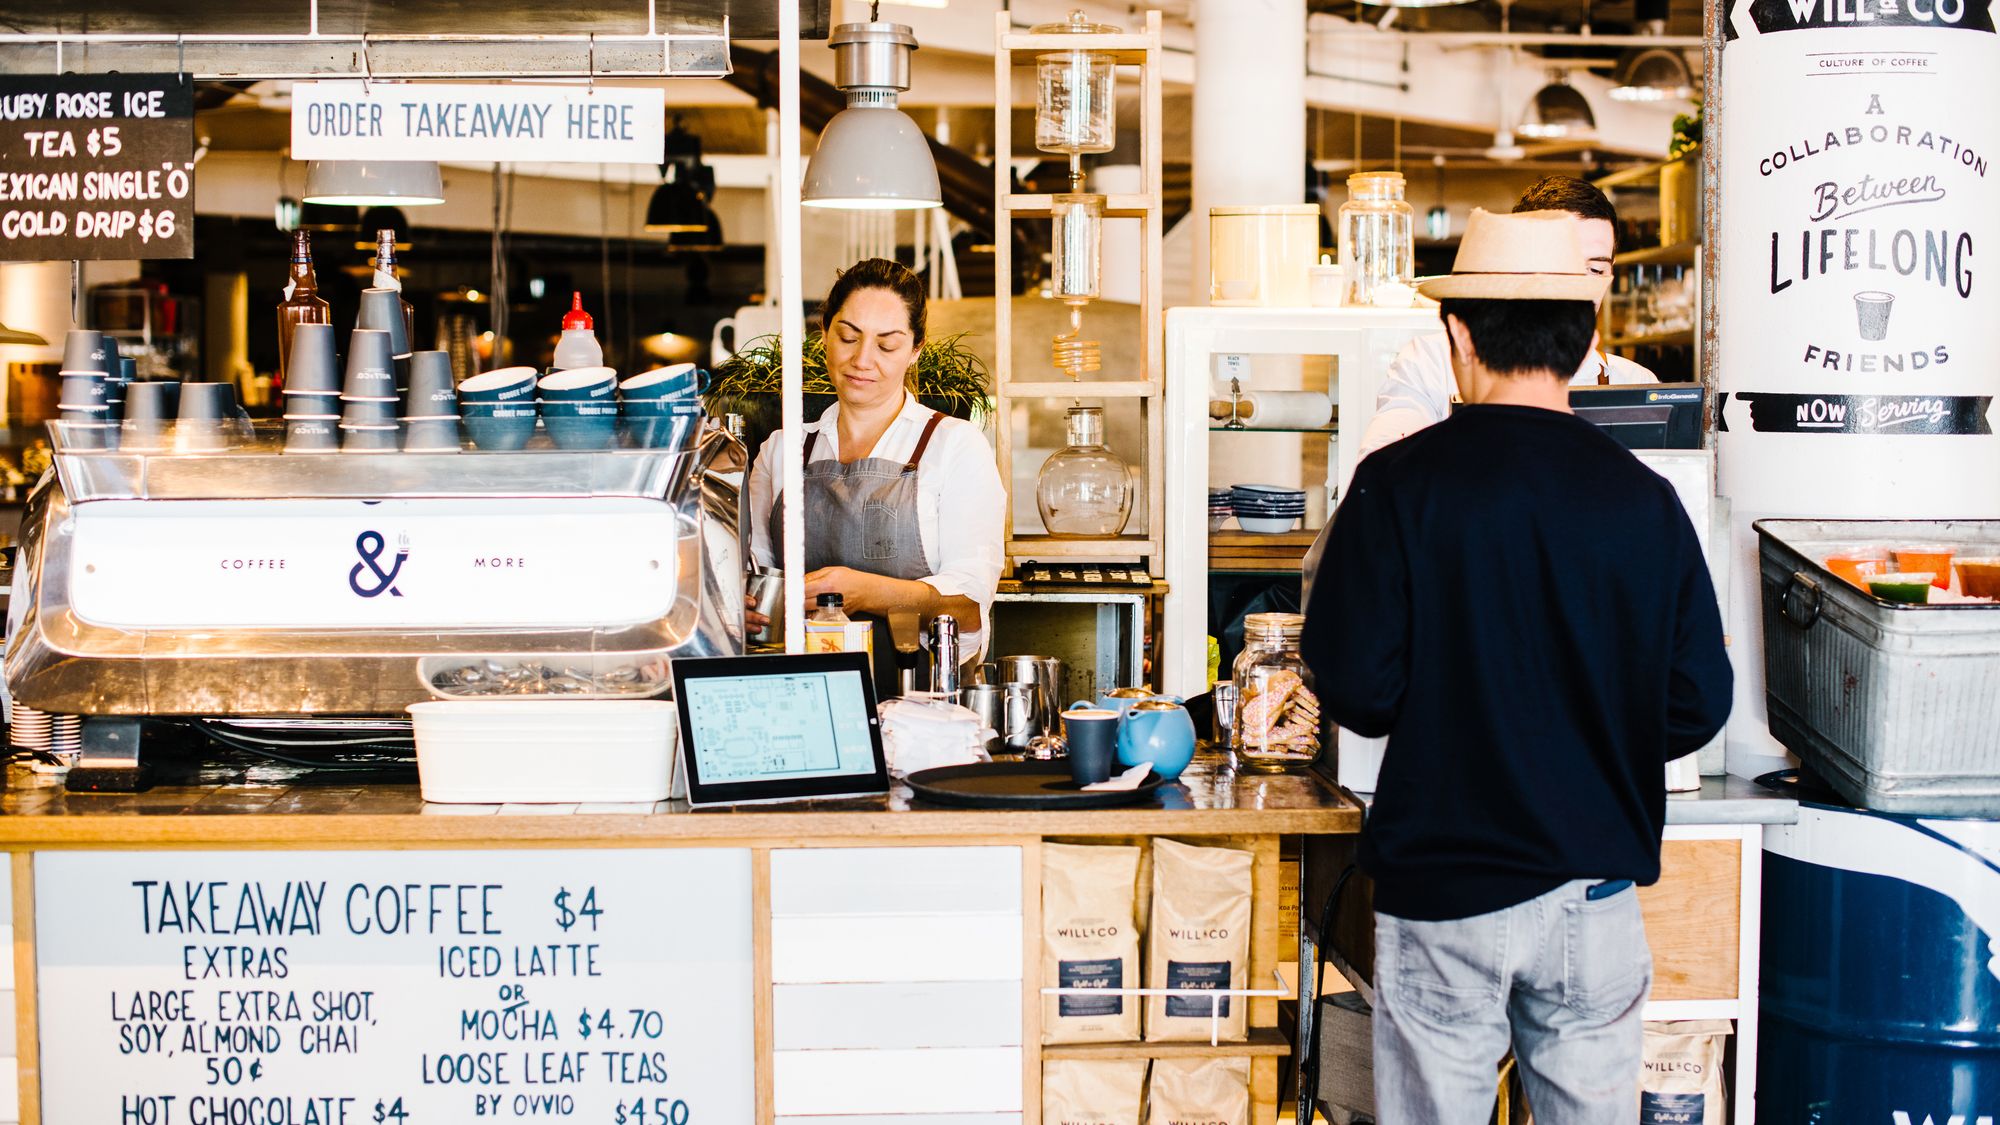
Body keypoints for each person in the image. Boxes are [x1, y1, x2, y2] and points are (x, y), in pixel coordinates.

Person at [1300, 209, 1732, 1122]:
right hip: (1598, 893)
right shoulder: (1646, 502)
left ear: (1458, 334)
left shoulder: (1397, 484)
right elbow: (1698, 703)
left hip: (1446, 891)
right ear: (1582, 342)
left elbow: (1356, 691)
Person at [746, 258, 1005, 686]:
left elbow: (968, 605)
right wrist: (748, 607)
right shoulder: (783, 450)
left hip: (917, 700)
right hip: (799, 689)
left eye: (886, 346)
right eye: (848, 337)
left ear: (915, 349)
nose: (862, 359)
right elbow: (756, 576)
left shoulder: (954, 447)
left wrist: (869, 592)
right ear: (825, 334)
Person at [1358, 176, 1654, 459]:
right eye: (1561, 266)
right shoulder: (1430, 361)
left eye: (1595, 270)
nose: (1577, 288)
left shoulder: (1637, 382)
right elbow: (1387, 459)